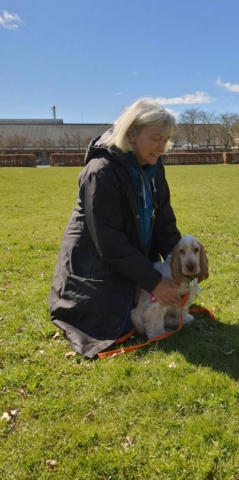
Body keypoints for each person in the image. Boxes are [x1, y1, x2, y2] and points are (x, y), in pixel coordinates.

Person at [49, 99, 182, 358]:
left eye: (166, 140)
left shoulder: (155, 167)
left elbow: (165, 221)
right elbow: (109, 243)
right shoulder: (100, 171)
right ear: (132, 133)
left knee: (155, 309)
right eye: (156, 138)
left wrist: (178, 267)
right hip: (94, 266)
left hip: (129, 261)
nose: (162, 147)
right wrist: (155, 282)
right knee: (120, 325)